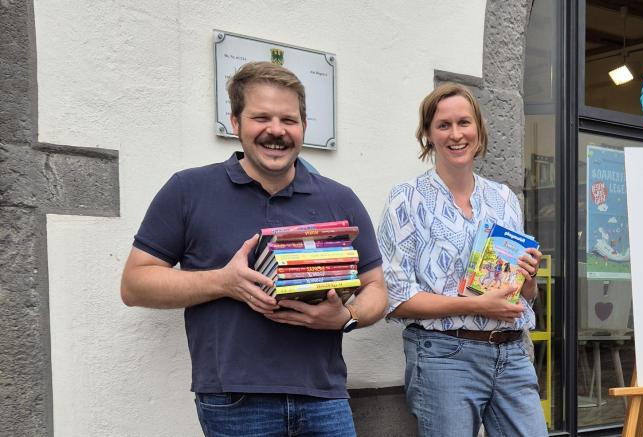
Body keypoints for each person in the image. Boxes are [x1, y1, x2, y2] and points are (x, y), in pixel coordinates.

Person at [120, 61, 387, 436]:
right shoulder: (188, 190)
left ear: (304, 127)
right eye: (261, 117)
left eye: (288, 120)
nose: (276, 131)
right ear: (235, 122)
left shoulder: (339, 199)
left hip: (325, 398)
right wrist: (224, 282)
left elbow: (376, 287)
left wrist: (346, 316)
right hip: (235, 402)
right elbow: (134, 284)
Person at [378, 83, 547, 437]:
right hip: (445, 356)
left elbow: (523, 296)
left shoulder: (503, 198)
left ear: (479, 131)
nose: (456, 134)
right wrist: (481, 305)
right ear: (427, 134)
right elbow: (396, 299)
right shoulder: (406, 199)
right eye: (444, 125)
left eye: (464, 123)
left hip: (511, 353)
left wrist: (527, 279)